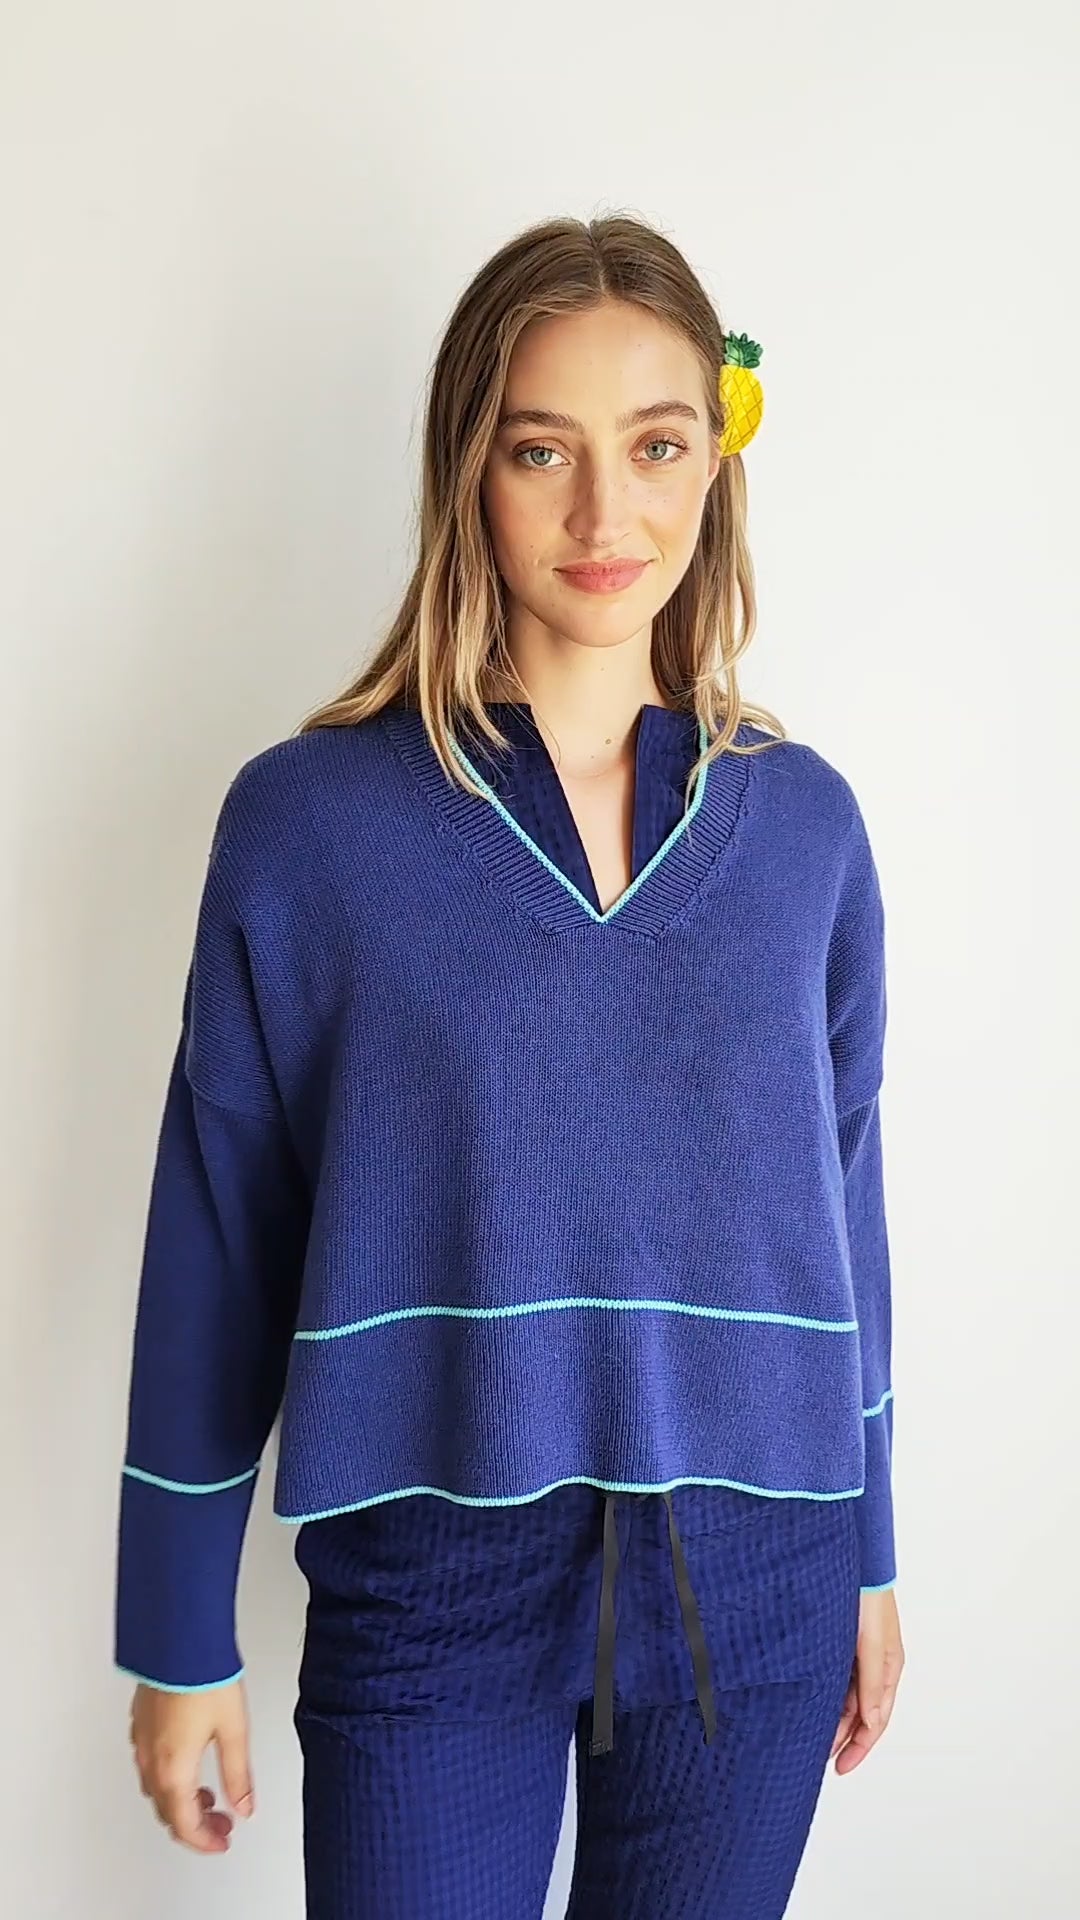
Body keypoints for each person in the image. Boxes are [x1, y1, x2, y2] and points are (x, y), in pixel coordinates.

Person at [115, 211, 905, 1918]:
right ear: (469, 467)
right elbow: (220, 1230)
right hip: (432, 1580)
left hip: (759, 1575)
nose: (605, 514)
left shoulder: (807, 831)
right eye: (543, 450)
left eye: (657, 446)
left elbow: (843, 1205)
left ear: (717, 463)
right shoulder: (312, 824)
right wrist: (175, 1629)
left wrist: (871, 1557)